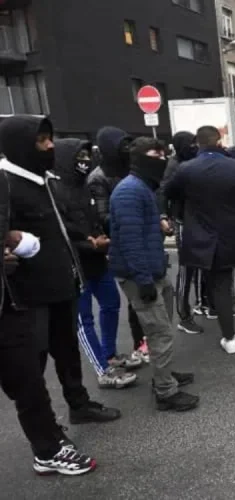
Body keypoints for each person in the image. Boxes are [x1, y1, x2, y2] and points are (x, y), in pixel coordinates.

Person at [0, 115, 122, 427]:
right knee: (33, 367)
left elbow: (62, 226)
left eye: (50, 138)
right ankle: (45, 428)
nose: (50, 146)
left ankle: (79, 405)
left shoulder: (47, 180)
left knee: (67, 353)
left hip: (63, 284)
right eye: (41, 140)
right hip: (29, 296)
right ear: (20, 145)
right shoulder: (6, 184)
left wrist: (85, 243)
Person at [0, 168, 98, 476]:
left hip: (14, 304)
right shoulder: (10, 181)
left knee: (28, 380)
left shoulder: (31, 182)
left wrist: (14, 241)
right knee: (27, 377)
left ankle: (48, 447)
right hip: (24, 299)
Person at [164, 126, 235, 355]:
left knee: (220, 287)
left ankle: (230, 339)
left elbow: (169, 192)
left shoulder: (187, 169)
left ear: (198, 143)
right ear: (219, 141)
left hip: (208, 237)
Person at [109, 137, 198, 411]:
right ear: (138, 158)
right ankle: (165, 392)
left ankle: (164, 375)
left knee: (162, 330)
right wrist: (144, 280)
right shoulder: (129, 191)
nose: (161, 159)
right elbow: (131, 241)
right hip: (141, 275)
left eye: (162, 154)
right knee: (160, 333)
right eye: (154, 154)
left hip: (153, 270)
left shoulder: (143, 187)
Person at [51, 139, 137, 389]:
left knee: (111, 303)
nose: (85, 161)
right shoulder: (54, 191)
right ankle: (103, 370)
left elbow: (94, 220)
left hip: (97, 259)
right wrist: (91, 244)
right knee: (84, 319)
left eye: (87, 155)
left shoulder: (84, 186)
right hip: (74, 265)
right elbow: (59, 234)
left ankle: (110, 354)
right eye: (79, 156)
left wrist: (101, 238)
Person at [88, 126, 149, 365]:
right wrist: (132, 218)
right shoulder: (98, 177)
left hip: (138, 238)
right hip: (118, 243)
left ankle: (142, 342)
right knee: (133, 295)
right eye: (122, 145)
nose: (127, 149)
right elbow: (102, 216)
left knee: (143, 296)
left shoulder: (131, 170)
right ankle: (131, 347)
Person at [158, 131, 203, 335]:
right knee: (186, 269)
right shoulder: (174, 166)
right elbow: (164, 192)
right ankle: (184, 316)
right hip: (183, 221)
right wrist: (164, 216)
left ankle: (202, 303)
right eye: (191, 143)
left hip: (196, 219)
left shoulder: (190, 162)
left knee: (199, 265)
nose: (194, 147)